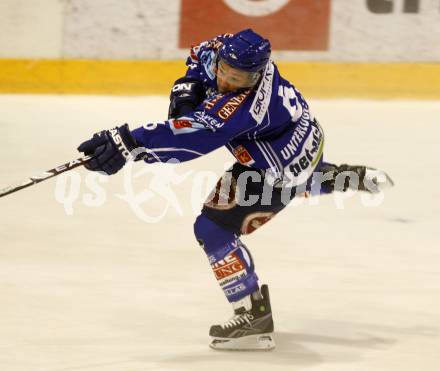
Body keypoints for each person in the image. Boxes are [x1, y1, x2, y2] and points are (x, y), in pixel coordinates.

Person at [77, 29, 393, 351]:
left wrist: (129, 143)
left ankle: (252, 316)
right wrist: (188, 88)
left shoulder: (247, 109)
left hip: (277, 168)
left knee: (212, 229)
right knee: (296, 179)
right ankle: (335, 177)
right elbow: (199, 56)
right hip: (304, 139)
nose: (228, 81)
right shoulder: (223, 50)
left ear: (256, 76)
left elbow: (190, 140)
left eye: (239, 78)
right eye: (225, 71)